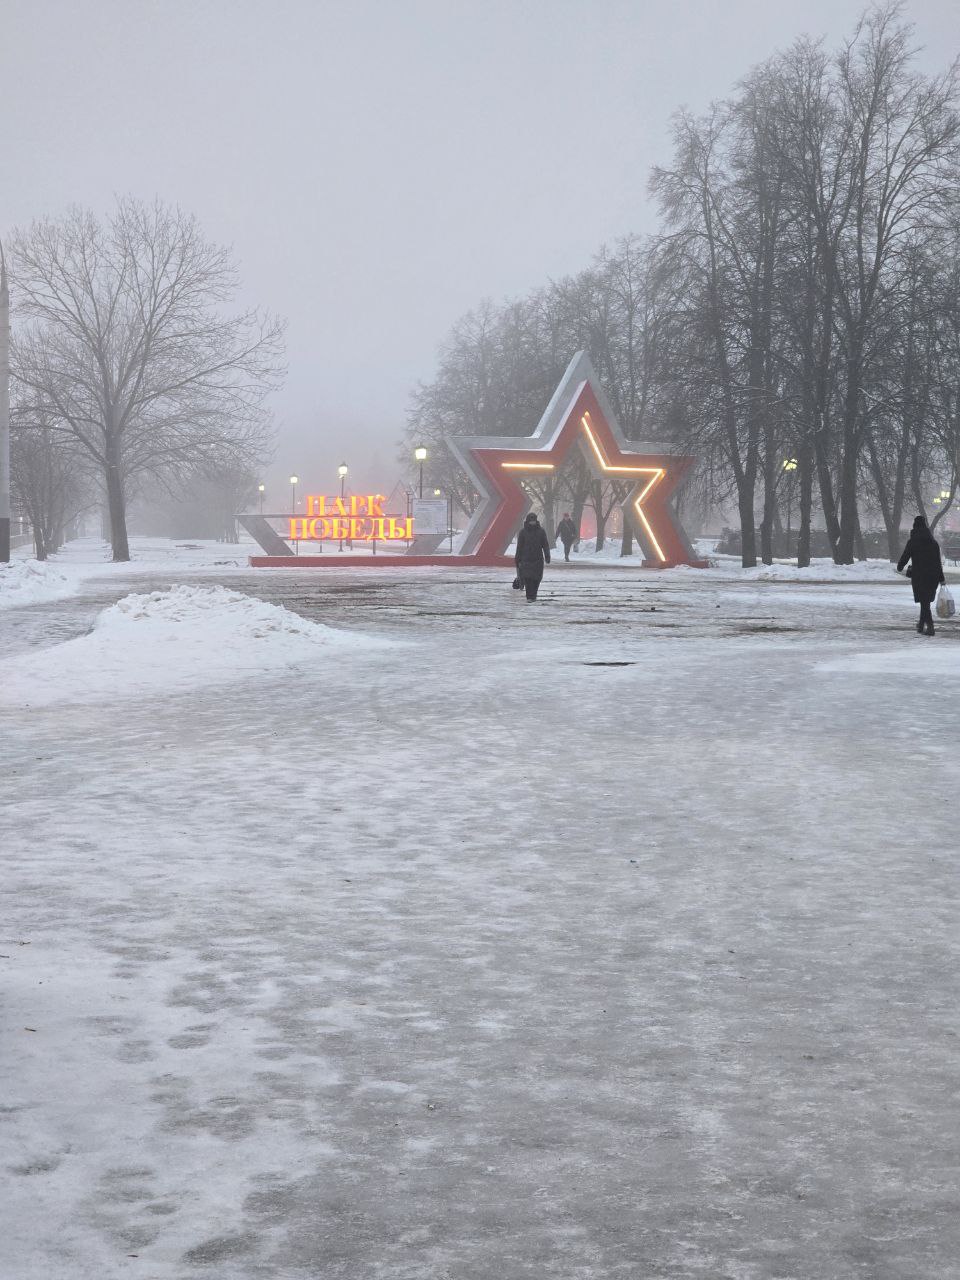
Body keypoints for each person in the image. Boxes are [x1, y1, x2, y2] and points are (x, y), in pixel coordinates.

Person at [897, 515, 945, 635]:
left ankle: (930, 627)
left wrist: (900, 566)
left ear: (915, 526)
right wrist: (941, 578)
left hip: (919, 575)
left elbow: (905, 555)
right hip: (932, 576)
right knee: (926, 602)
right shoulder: (933, 543)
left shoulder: (913, 541)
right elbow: (937, 562)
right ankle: (921, 625)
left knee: (924, 602)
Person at [515, 511, 551, 601]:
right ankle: (529, 597)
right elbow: (519, 546)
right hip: (526, 559)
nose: (532, 522)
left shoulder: (541, 531)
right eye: (531, 521)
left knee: (536, 579)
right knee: (527, 579)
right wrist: (517, 559)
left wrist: (547, 556)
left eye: (534, 521)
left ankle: (533, 595)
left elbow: (545, 545)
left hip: (538, 559)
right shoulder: (523, 532)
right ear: (527, 521)